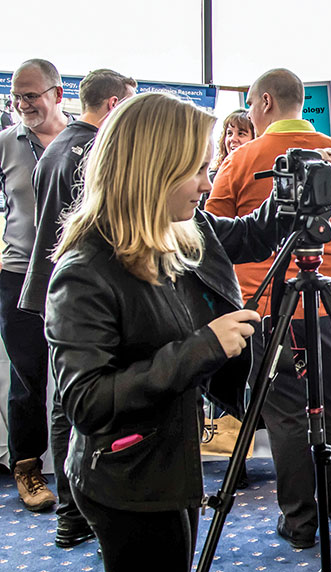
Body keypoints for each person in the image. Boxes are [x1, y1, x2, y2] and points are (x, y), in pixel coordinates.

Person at [44, 91, 279, 571]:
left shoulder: (177, 234)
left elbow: (247, 235)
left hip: (170, 466)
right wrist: (203, 348)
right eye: (196, 170)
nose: (205, 184)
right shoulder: (86, 269)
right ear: (152, 171)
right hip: (129, 481)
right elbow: (87, 402)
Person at [205, 67, 331, 549]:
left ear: (264, 103)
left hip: (267, 307)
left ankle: (300, 523)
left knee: (286, 414)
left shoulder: (242, 161)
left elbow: (210, 236)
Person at [18, 68, 136, 549]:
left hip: (51, 290)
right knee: (78, 409)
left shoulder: (56, 147)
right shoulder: (90, 155)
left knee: (66, 404)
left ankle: (73, 513)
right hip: (77, 296)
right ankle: (75, 513)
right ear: (113, 105)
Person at [0, 58, 69, 512]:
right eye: (17, 96)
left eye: (32, 95)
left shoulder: (86, 141)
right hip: (18, 274)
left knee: (77, 376)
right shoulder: (5, 143)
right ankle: (27, 468)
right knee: (28, 378)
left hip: (73, 276)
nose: (24, 104)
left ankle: (78, 468)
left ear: (58, 94)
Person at [208, 108, 254, 182]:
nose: (233, 139)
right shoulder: (213, 177)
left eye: (241, 134)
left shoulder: (260, 175)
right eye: (229, 133)